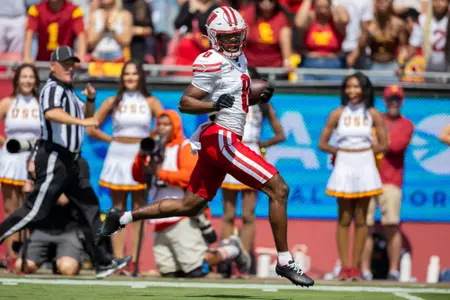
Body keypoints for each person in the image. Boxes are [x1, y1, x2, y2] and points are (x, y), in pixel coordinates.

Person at [100, 6, 314, 287]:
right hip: (221, 137)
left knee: (190, 205)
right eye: (227, 37)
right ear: (214, 37)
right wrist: (214, 104)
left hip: (225, 136)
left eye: (237, 35)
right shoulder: (210, 60)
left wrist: (253, 97)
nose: (234, 41)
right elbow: (185, 102)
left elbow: (235, 100)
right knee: (280, 189)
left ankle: (123, 217)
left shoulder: (240, 59)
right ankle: (285, 261)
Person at [0, 46, 131, 278]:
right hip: (55, 157)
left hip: (72, 161)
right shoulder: (52, 88)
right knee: (34, 211)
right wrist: (84, 122)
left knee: (91, 209)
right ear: (53, 66)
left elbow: (85, 115)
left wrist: (90, 100)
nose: (70, 68)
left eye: (72, 64)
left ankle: (102, 261)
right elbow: (52, 113)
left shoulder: (69, 92)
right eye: (65, 64)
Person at [131, 110, 245, 277]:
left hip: (182, 216)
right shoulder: (152, 148)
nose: (162, 128)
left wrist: (161, 173)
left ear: (175, 126)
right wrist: (141, 157)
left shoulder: (184, 147)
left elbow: (189, 177)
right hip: (160, 217)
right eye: (159, 125)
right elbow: (137, 177)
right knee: (169, 273)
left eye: (166, 124)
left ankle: (232, 249)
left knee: (197, 269)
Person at [86, 59, 163, 273]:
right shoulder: (113, 101)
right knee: (116, 211)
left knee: (138, 211)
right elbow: (91, 127)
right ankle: (119, 261)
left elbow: (166, 127)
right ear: (122, 78)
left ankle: (135, 263)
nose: (130, 78)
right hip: (117, 156)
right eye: (126, 74)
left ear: (141, 77)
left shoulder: (151, 101)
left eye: (134, 74)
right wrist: (112, 140)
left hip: (140, 158)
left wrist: (152, 144)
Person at [318, 72, 388, 280]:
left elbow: (384, 144)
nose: (352, 91)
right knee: (344, 218)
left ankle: (355, 267)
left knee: (361, 218)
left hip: (365, 165)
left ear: (365, 90)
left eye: (356, 87)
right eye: (349, 87)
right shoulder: (337, 113)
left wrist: (367, 153)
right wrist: (339, 152)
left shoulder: (373, 114)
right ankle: (344, 267)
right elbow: (322, 143)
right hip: (344, 164)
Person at [220, 67, 286, 274]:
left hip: (250, 150)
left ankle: (244, 261)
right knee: (228, 213)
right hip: (230, 149)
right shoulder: (227, 99)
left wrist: (262, 144)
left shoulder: (264, 105)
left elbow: (280, 134)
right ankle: (225, 260)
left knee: (248, 214)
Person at [360, 85, 414, 281]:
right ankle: (365, 270)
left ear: (402, 101)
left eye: (397, 99)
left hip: (391, 182)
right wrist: (376, 142)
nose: (393, 103)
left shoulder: (406, 124)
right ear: (384, 101)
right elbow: (364, 142)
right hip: (368, 179)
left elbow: (395, 146)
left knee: (391, 225)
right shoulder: (375, 119)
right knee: (364, 226)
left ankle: (393, 270)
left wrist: (377, 141)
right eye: (390, 99)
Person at [0, 64, 41, 271]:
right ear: (17, 80)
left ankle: (30, 256)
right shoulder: (8, 103)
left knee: (32, 210)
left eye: (30, 77)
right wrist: (4, 142)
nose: (27, 81)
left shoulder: (40, 104)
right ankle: (12, 256)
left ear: (35, 80)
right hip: (10, 160)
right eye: (23, 77)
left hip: (34, 161)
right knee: (11, 210)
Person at [295, 0, 348, 80]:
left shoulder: (336, 23)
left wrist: (334, 1)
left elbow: (345, 19)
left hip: (333, 66)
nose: (323, 11)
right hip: (310, 64)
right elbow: (299, 23)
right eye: (320, 7)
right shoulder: (311, 22)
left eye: (326, 7)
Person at [398, 0, 450, 74]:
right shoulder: (423, 19)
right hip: (430, 66)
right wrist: (402, 65)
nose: (439, 4)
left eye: (442, 1)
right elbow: (413, 47)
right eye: (436, 1)